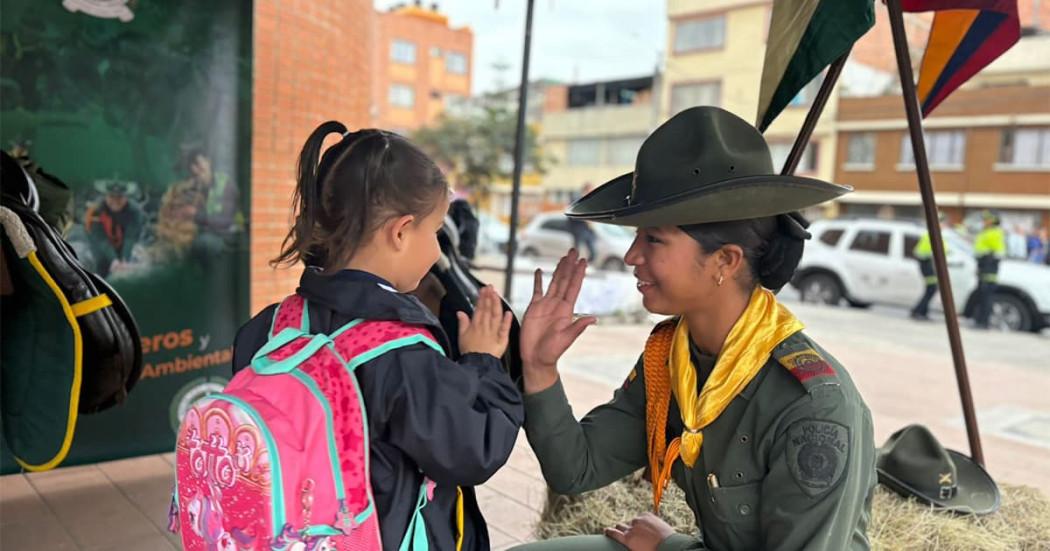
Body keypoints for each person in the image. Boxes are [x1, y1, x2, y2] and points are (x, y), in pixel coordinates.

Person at [512, 107, 876, 551]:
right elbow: (578, 469)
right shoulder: (674, 357)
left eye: (654, 239)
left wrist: (671, 549)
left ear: (724, 261)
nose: (631, 256)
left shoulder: (814, 406)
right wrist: (540, 368)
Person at [231, 122, 524, 550]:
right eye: (434, 231)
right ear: (401, 232)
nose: (438, 251)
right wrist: (483, 362)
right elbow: (472, 448)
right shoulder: (401, 353)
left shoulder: (266, 330)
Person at [83, 180, 145, 277]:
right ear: (105, 196)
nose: (115, 201)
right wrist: (114, 260)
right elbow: (101, 239)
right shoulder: (95, 211)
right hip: (100, 248)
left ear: (126, 197)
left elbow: (130, 236)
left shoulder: (135, 211)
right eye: (111, 196)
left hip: (127, 246)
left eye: (120, 197)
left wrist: (125, 260)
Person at [909, 213, 948, 321]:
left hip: (928, 266)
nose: (944, 225)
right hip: (927, 266)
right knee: (931, 289)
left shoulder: (935, 234)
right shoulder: (931, 235)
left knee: (930, 290)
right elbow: (923, 253)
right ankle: (918, 312)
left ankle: (920, 312)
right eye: (942, 223)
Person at [972, 210, 1006, 329]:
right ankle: (978, 320)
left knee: (987, 298)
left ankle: (983, 323)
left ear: (992, 221)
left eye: (986, 219)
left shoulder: (995, 232)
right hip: (983, 268)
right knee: (982, 297)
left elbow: (999, 253)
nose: (984, 221)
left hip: (989, 270)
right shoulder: (986, 232)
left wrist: (987, 261)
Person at [568, 182, 598, 262]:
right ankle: (575, 262)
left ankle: (586, 262)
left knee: (592, 250)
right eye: (591, 189)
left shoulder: (589, 200)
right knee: (577, 248)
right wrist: (586, 219)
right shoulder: (577, 199)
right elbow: (573, 213)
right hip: (579, 228)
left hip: (587, 229)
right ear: (586, 189)